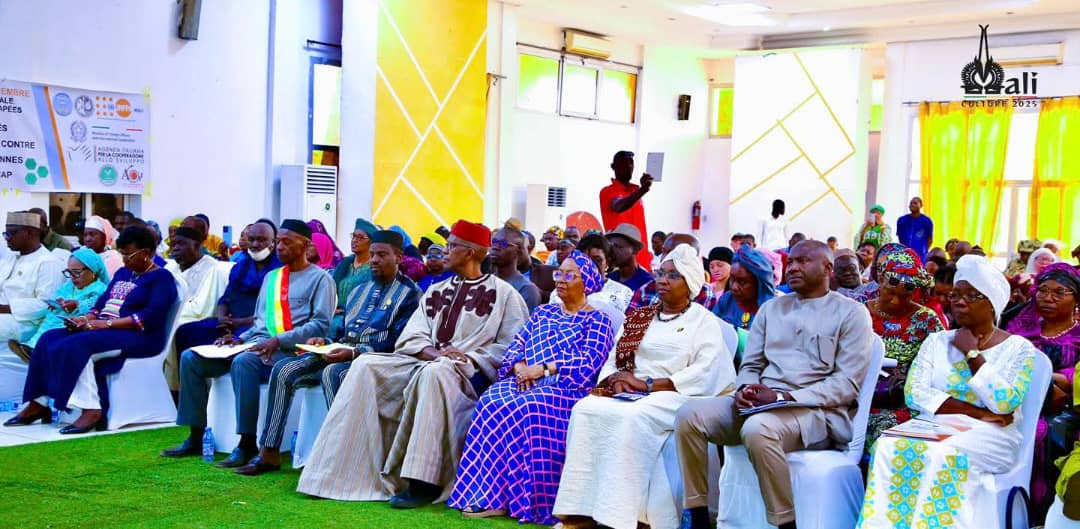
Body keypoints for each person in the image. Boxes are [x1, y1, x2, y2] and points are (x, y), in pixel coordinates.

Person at [296, 219, 529, 506]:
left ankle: (423, 482)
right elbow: (411, 336)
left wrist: (468, 358)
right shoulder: (436, 290)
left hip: (464, 375)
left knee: (436, 373)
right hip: (424, 361)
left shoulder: (506, 295)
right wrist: (435, 353)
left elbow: (511, 347)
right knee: (365, 365)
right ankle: (335, 473)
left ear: (470, 253)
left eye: (451, 246)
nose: (444, 251)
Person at [679, 240, 874, 529]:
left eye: (803, 261)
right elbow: (751, 365)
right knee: (689, 415)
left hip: (815, 412)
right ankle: (697, 517)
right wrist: (746, 390)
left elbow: (845, 385)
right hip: (760, 405)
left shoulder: (851, 313)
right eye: (790, 261)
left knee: (758, 429)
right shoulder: (771, 309)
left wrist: (783, 397)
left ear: (827, 268)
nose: (793, 267)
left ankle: (784, 523)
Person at [552, 244, 735, 529]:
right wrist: (617, 379)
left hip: (676, 394)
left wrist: (648, 385)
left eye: (673, 276)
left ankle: (621, 516)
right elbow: (615, 357)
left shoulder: (704, 321)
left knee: (632, 417)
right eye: (661, 273)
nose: (662, 280)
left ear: (690, 284)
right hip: (632, 391)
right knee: (585, 409)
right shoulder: (641, 317)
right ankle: (579, 510)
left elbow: (704, 372)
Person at [859, 255, 1040, 529]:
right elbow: (915, 393)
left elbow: (1004, 404)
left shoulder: (1018, 348)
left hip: (993, 434)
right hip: (936, 424)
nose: (959, 301)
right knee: (887, 445)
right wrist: (979, 412)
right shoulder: (937, 341)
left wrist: (972, 355)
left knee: (943, 454)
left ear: (992, 303)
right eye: (956, 294)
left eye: (971, 295)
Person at [233, 230, 421, 476]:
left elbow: (399, 341)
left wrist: (355, 352)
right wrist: (325, 341)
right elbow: (343, 332)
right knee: (284, 369)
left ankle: (343, 458)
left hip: (374, 360)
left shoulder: (410, 294)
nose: (374, 260)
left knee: (333, 373)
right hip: (341, 351)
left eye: (382, 255)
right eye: (373, 254)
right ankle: (269, 451)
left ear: (398, 257)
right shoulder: (358, 291)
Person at [448, 250, 617, 523]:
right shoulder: (542, 313)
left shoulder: (597, 320)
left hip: (565, 388)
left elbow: (589, 363)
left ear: (586, 282)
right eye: (558, 273)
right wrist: (519, 367)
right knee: (491, 402)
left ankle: (528, 501)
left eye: (569, 275)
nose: (560, 279)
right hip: (524, 377)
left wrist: (544, 369)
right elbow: (518, 344)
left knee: (528, 407)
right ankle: (487, 495)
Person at [161, 220, 335, 467]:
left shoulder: (321, 279)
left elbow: (320, 325)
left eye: (287, 242)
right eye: (279, 242)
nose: (280, 247)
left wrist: (278, 340)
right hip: (256, 343)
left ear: (306, 245)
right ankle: (196, 435)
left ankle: (246, 443)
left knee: (245, 362)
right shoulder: (272, 277)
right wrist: (239, 338)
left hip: (289, 351)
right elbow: (259, 321)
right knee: (191, 358)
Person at [8, 226, 178, 434]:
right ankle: (39, 403)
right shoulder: (123, 273)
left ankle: (92, 409)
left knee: (79, 344)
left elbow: (151, 317)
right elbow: (101, 304)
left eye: (129, 255)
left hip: (139, 336)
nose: (124, 260)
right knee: (48, 338)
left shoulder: (161, 278)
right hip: (106, 330)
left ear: (147, 252)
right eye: (122, 254)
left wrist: (105, 324)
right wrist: (85, 319)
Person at [1005, 263, 1080, 514]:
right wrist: (1046, 379)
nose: (1048, 298)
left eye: (1059, 293)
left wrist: (1052, 378)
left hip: (1065, 407)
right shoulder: (1020, 328)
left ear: (1076, 299)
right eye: (1043, 290)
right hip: (1017, 400)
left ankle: (1044, 510)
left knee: (1049, 430)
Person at [861, 245, 944, 462]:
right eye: (890, 292)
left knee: (891, 439)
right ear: (880, 280)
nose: (896, 301)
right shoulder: (858, 312)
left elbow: (940, 368)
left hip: (901, 402)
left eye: (905, 296)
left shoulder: (926, 320)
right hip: (856, 397)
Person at [172, 220, 281, 359]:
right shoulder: (240, 266)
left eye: (261, 240)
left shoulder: (280, 270)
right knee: (185, 331)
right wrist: (222, 317)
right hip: (230, 322)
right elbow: (225, 298)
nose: (255, 244)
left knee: (237, 344)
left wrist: (239, 322)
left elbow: (274, 311)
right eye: (251, 239)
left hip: (256, 325)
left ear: (273, 243)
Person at [0, 212, 65, 400]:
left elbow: (46, 304)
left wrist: (4, 308)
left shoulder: (48, 263)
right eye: (5, 233)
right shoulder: (11, 258)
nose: (7, 238)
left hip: (27, 323)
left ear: (29, 233)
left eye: (11, 233)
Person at [11, 248, 109, 359]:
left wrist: (78, 305)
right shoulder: (69, 285)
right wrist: (57, 302)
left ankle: (37, 352)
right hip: (57, 317)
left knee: (56, 333)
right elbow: (58, 295)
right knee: (48, 324)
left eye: (76, 272)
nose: (72, 277)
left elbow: (96, 306)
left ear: (92, 270)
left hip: (74, 323)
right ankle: (32, 347)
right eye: (69, 272)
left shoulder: (100, 289)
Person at [162, 227, 224, 392]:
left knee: (176, 327)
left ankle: (177, 388)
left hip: (196, 316)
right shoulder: (170, 267)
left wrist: (167, 312)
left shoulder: (212, 268)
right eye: (173, 244)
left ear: (196, 245)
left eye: (181, 244)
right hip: (173, 312)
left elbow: (202, 307)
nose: (175, 248)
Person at [627, 233, 721, 313]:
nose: (665, 258)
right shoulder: (647, 289)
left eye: (675, 254)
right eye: (664, 252)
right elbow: (628, 325)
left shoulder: (705, 293)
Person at [553, 234, 632, 323]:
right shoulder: (561, 290)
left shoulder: (623, 293)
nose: (590, 265)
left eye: (597, 260)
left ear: (607, 262)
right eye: (585, 260)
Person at [598, 150, 652, 269]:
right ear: (613, 166)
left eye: (631, 163)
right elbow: (618, 206)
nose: (628, 167)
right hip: (620, 258)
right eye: (623, 164)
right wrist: (642, 190)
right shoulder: (607, 191)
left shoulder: (635, 190)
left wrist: (641, 189)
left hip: (641, 259)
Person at [712, 244, 777, 334]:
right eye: (732, 279)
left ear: (759, 283)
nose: (734, 287)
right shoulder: (727, 299)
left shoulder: (773, 310)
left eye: (742, 282)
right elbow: (711, 328)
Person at [331, 219, 376, 334]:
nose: (354, 240)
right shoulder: (345, 265)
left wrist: (345, 311)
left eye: (360, 238)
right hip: (334, 314)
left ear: (371, 242)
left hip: (358, 320)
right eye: (354, 236)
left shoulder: (374, 269)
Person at [491, 227, 541, 313]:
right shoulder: (486, 281)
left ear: (518, 252)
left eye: (503, 244)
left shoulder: (526, 289)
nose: (495, 247)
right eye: (494, 242)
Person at [605, 223, 653, 293]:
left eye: (618, 247)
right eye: (611, 247)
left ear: (635, 250)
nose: (613, 251)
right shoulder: (609, 279)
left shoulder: (647, 283)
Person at [896, 196, 934, 262]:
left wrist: (923, 251)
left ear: (921, 205)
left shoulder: (927, 221)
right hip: (905, 255)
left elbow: (929, 240)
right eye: (911, 203)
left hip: (920, 256)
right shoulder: (902, 220)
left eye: (915, 203)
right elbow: (900, 238)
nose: (912, 205)